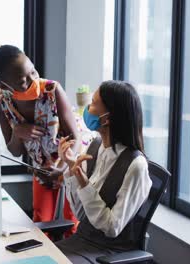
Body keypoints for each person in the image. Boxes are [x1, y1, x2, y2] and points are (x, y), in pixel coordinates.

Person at [55, 80, 152, 263]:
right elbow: (80, 214)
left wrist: (84, 183)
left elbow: (111, 227)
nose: (87, 108)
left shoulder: (136, 166)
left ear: (106, 118)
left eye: (92, 103)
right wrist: (70, 167)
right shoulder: (95, 146)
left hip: (107, 253)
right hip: (80, 241)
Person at [0, 45, 81, 232]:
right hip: (42, 169)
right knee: (41, 224)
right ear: (3, 85)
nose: (34, 81)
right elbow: (15, 151)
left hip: (72, 163)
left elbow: (76, 138)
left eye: (33, 71)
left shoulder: (52, 90)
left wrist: (62, 168)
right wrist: (17, 133)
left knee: (72, 223)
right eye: (23, 81)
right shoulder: (0, 100)